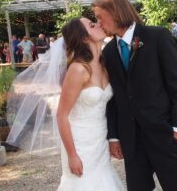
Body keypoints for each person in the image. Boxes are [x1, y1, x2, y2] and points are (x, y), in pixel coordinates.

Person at [7, 18, 124, 191]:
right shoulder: (78, 69)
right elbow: (62, 115)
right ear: (83, 37)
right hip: (79, 142)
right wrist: (72, 155)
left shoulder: (103, 65)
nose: (99, 24)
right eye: (92, 25)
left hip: (99, 138)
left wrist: (112, 138)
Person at [92, 0, 177, 191]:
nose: (98, 23)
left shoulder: (157, 37)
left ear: (115, 12)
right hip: (132, 142)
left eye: (100, 17)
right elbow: (112, 99)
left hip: (164, 135)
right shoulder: (109, 52)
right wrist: (114, 137)